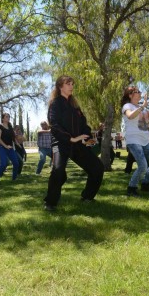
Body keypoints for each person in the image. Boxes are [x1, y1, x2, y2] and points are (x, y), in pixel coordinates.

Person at [43, 75, 104, 212]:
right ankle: (50, 202)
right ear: (60, 87)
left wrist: (86, 137)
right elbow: (54, 125)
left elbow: (84, 124)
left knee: (97, 167)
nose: (71, 86)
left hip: (78, 144)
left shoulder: (75, 105)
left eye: (72, 84)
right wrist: (70, 138)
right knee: (58, 171)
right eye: (68, 84)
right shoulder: (55, 104)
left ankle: (87, 197)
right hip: (61, 143)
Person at [121, 87, 149, 196]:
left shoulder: (141, 108)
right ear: (130, 95)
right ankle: (131, 188)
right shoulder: (127, 106)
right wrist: (143, 106)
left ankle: (145, 184)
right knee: (143, 166)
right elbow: (130, 116)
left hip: (144, 140)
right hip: (133, 140)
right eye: (137, 92)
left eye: (139, 91)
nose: (139, 93)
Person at [0, 113, 20, 184]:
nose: (8, 118)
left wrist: (17, 143)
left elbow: (13, 137)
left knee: (16, 163)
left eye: (9, 116)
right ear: (3, 118)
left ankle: (14, 179)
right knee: (4, 164)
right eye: (6, 117)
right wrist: (5, 146)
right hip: (2, 147)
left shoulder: (10, 126)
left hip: (10, 148)